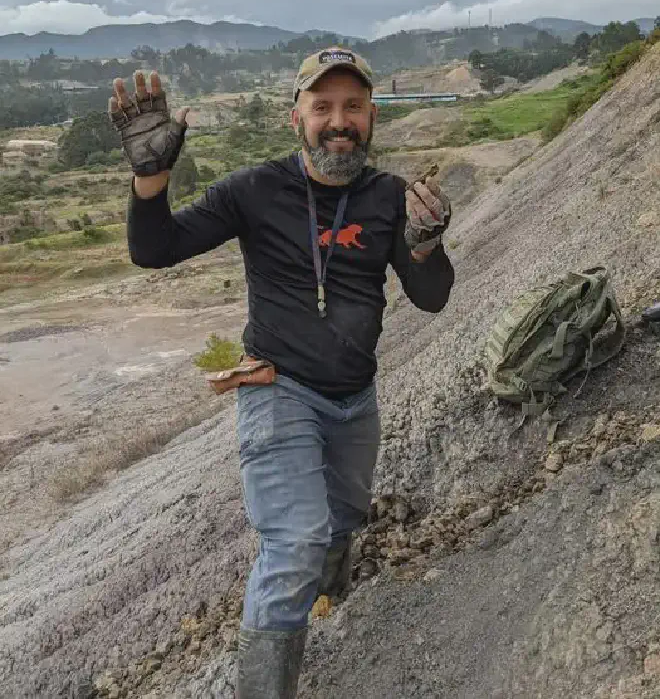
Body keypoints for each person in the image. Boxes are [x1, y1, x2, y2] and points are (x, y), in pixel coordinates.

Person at [110, 47, 455, 699]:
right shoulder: (253, 190)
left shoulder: (388, 198)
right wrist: (151, 179)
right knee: (297, 540)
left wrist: (426, 244)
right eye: (322, 106)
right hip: (278, 390)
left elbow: (431, 296)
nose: (338, 120)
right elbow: (154, 249)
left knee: (343, 522)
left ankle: (326, 616)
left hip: (355, 399)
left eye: (352, 106)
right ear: (296, 117)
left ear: (371, 115)